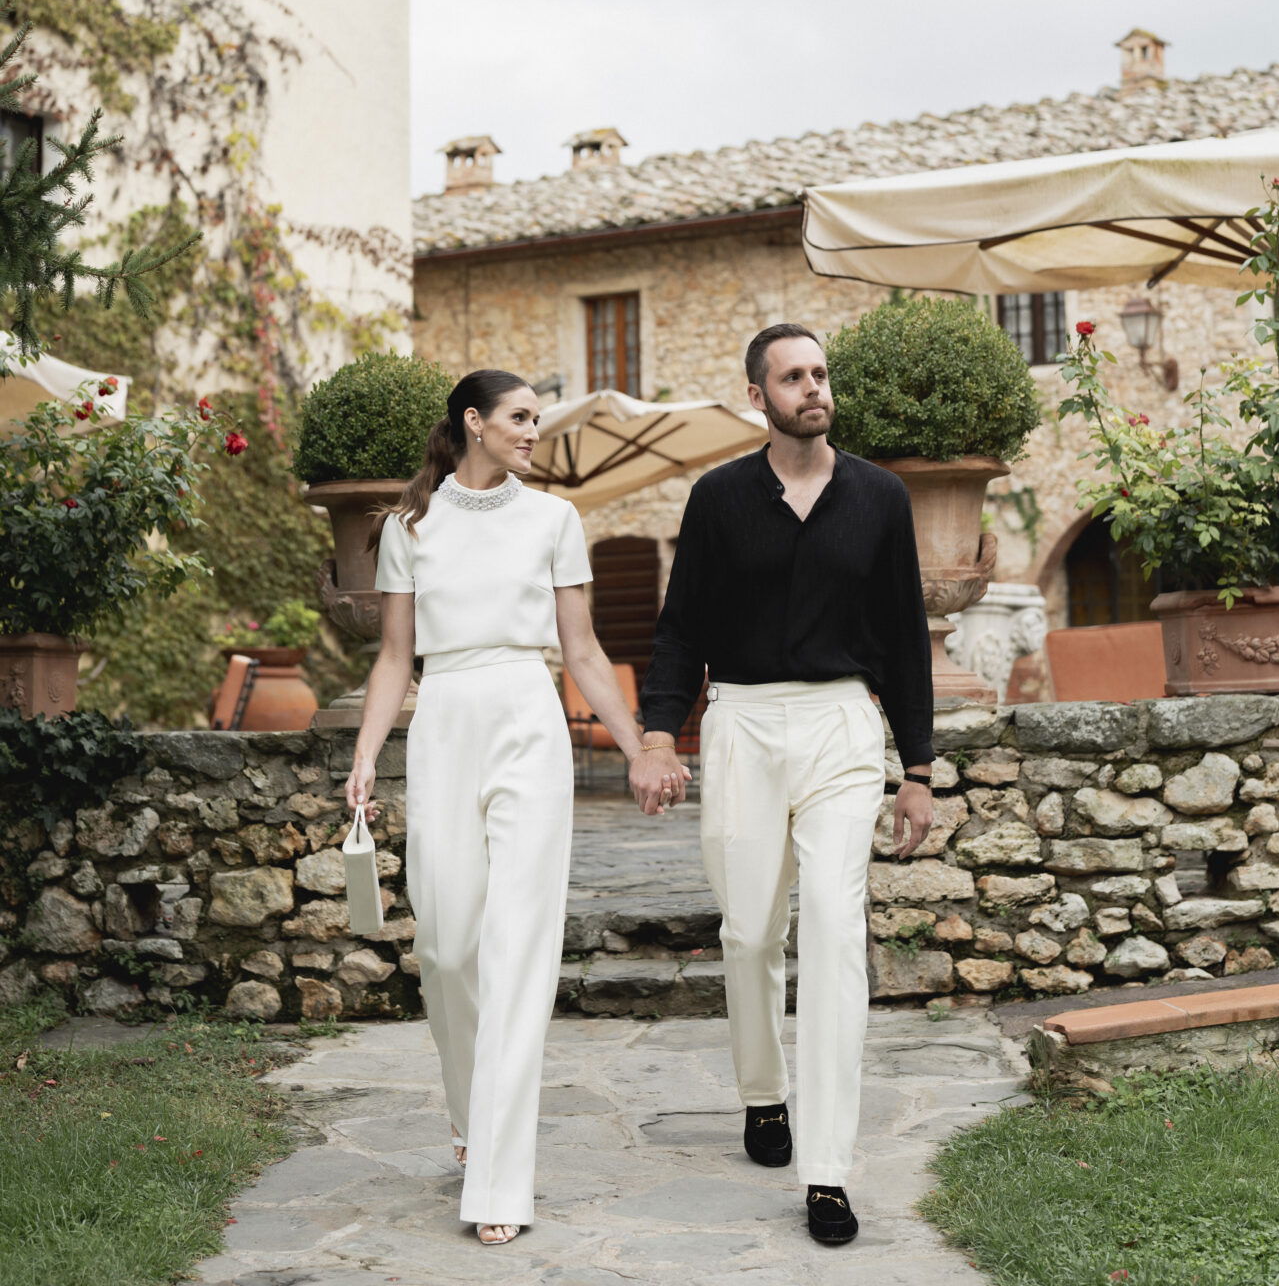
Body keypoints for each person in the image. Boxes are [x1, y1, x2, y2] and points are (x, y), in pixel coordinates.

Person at [344, 369, 671, 1246]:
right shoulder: (409, 528)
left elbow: (585, 651)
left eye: (537, 417)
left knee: (519, 948)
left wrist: (639, 742)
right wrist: (368, 752)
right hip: (446, 721)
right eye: (521, 418)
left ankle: (499, 1179)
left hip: (530, 719)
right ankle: (470, 1116)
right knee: (448, 950)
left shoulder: (555, 520)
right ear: (474, 423)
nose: (535, 430)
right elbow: (393, 659)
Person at [632, 323, 935, 1247]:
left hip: (843, 725)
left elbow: (908, 636)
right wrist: (655, 734)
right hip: (743, 725)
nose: (814, 387)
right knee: (751, 929)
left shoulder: (879, 497)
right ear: (758, 395)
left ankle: (828, 1172)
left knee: (837, 933)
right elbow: (682, 627)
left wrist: (917, 771)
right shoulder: (720, 498)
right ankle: (763, 1094)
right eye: (793, 376)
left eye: (820, 373)